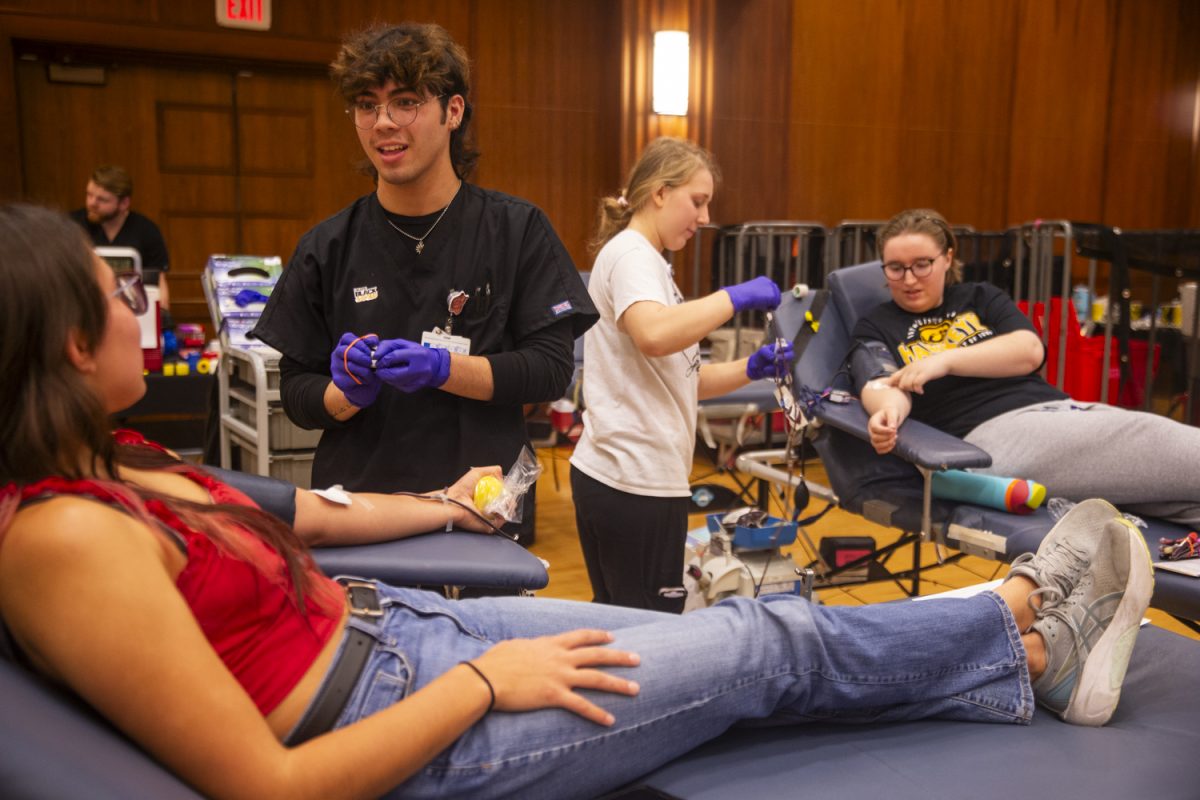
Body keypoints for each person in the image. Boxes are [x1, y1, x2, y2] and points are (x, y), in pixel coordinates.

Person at [0, 203, 1157, 799]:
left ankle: (1025, 651)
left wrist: (449, 506)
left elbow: (308, 516)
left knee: (733, 642)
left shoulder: (116, 463)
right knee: (761, 640)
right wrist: (477, 683)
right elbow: (273, 785)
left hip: (396, 631)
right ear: (63, 335)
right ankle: (1017, 612)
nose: (133, 308)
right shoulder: (60, 538)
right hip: (407, 720)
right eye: (115, 293)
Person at [250, 23, 596, 545]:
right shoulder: (327, 248)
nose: (383, 123)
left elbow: (550, 371)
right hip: (361, 515)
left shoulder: (515, 230)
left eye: (405, 102)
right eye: (367, 105)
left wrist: (443, 369)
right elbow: (298, 394)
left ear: (452, 111)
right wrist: (344, 395)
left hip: (484, 510)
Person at [852, 208, 1200, 528]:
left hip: (1059, 411)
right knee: (1160, 444)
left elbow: (1028, 351)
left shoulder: (980, 297)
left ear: (947, 259)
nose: (909, 279)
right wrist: (887, 416)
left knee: (1180, 499)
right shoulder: (877, 324)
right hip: (988, 437)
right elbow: (881, 383)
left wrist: (943, 361)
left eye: (922, 264)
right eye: (895, 268)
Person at [569, 138, 794, 612]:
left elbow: (680, 380)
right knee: (646, 629)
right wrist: (732, 298)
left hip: (634, 477)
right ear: (659, 193)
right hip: (631, 479)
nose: (706, 217)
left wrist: (750, 369)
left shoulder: (649, 261)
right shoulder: (632, 254)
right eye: (697, 201)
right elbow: (653, 334)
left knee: (627, 619)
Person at [70, 164, 171, 310]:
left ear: (124, 203)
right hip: (84, 310)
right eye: (89, 195)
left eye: (102, 200)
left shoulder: (147, 230)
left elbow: (158, 283)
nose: (91, 203)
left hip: (132, 312)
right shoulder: (72, 226)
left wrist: (162, 317)